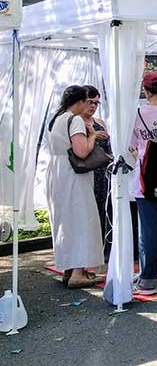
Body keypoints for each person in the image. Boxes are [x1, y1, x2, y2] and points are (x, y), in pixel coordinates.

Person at [46, 85, 104, 288]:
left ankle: (69, 268)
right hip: (73, 174)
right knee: (81, 220)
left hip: (57, 172)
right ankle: (78, 272)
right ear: (79, 102)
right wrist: (94, 137)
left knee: (65, 221)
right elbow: (81, 151)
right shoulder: (76, 119)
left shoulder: (57, 118)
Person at [128, 72, 157, 295]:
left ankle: (148, 278)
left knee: (148, 229)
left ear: (146, 91)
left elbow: (132, 146)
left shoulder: (138, 113)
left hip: (145, 178)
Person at [81, 85, 112, 263]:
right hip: (87, 173)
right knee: (88, 214)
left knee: (103, 212)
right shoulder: (76, 122)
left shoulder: (100, 122)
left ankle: (102, 251)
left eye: (96, 103)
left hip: (103, 173)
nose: (92, 106)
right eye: (89, 102)